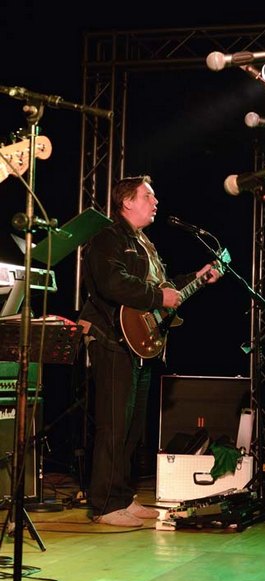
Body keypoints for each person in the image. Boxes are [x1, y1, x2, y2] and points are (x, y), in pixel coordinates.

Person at [78, 175, 222, 526]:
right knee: (113, 425)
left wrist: (197, 278)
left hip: (139, 343)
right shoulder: (108, 236)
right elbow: (113, 283)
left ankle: (121, 496)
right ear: (127, 201)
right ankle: (104, 505)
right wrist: (158, 296)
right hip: (112, 338)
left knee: (132, 428)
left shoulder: (145, 243)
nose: (155, 202)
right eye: (147, 196)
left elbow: (165, 289)